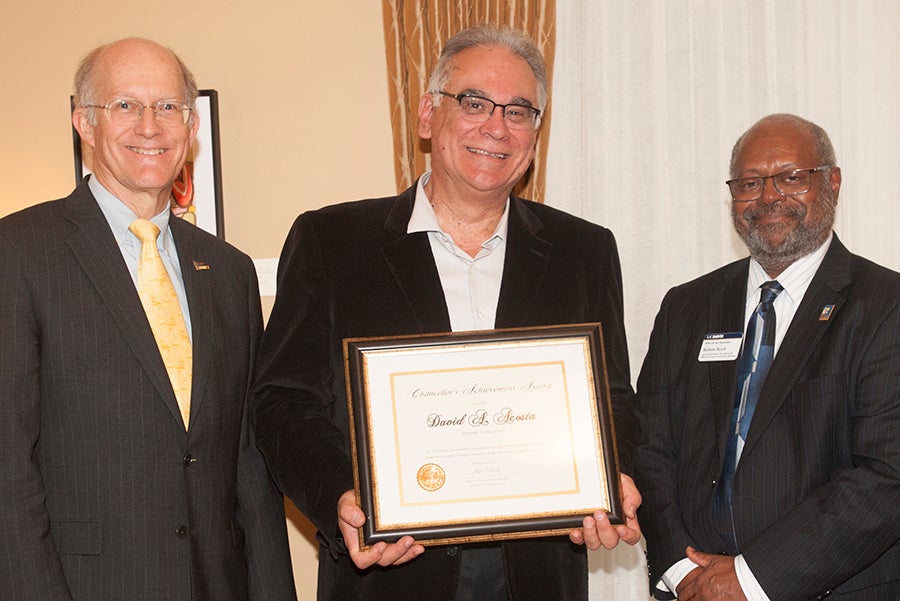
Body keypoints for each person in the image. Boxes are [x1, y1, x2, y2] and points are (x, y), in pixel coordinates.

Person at [252, 25, 642, 601]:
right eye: (475, 102)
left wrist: (615, 476)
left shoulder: (584, 251)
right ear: (427, 115)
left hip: (538, 577)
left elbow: (611, 397)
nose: (496, 126)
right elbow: (283, 401)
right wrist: (341, 495)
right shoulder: (332, 242)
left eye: (519, 111)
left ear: (535, 132)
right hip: (391, 575)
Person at [0, 38, 296, 601]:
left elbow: (249, 467)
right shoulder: (17, 252)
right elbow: (6, 465)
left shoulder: (230, 272)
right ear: (84, 122)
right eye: (126, 105)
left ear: (190, 129)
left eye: (168, 107)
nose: (150, 126)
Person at [634, 113, 900, 600]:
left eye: (792, 178)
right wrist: (681, 571)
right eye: (751, 183)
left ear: (832, 183)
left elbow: (886, 476)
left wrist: (749, 580)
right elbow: (651, 449)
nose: (769, 197)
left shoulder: (886, 305)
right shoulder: (686, 306)